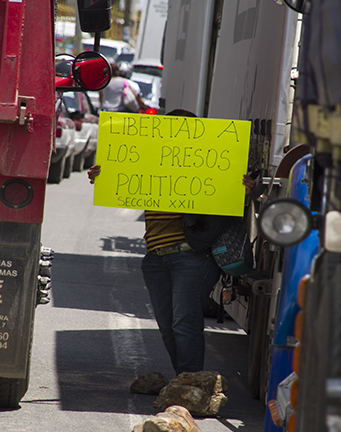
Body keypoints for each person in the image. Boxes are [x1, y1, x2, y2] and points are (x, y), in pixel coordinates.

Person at [88, 109, 256, 374]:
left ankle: (189, 385)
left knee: (184, 323)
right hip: (155, 256)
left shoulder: (203, 166)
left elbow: (222, 205)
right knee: (167, 326)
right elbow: (119, 177)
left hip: (191, 257)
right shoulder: (149, 163)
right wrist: (102, 175)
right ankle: (185, 382)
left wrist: (241, 191)